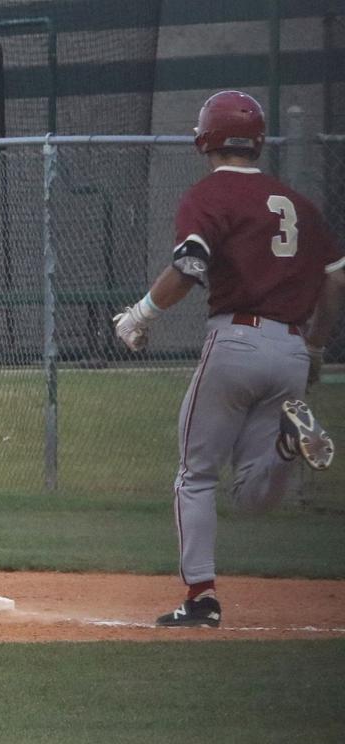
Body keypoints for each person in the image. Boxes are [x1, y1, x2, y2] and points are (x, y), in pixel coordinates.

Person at [113, 90, 345, 628]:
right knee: (252, 494)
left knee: (195, 476)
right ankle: (290, 445)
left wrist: (141, 314)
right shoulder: (297, 203)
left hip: (235, 339)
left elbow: (190, 266)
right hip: (291, 348)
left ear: (205, 139)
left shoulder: (210, 195)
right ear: (258, 140)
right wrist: (314, 345)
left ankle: (201, 599)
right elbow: (336, 279)